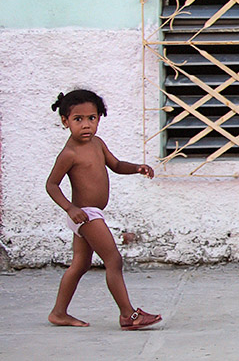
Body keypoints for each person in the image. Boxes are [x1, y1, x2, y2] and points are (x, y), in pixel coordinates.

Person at [46, 89, 162, 329]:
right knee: (113, 259)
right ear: (65, 121)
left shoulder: (97, 144)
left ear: (99, 117)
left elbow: (117, 165)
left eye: (92, 118)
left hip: (90, 213)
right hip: (85, 214)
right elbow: (52, 185)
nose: (86, 125)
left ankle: (58, 312)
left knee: (80, 264)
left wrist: (137, 168)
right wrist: (70, 208)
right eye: (78, 119)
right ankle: (128, 315)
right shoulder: (69, 153)